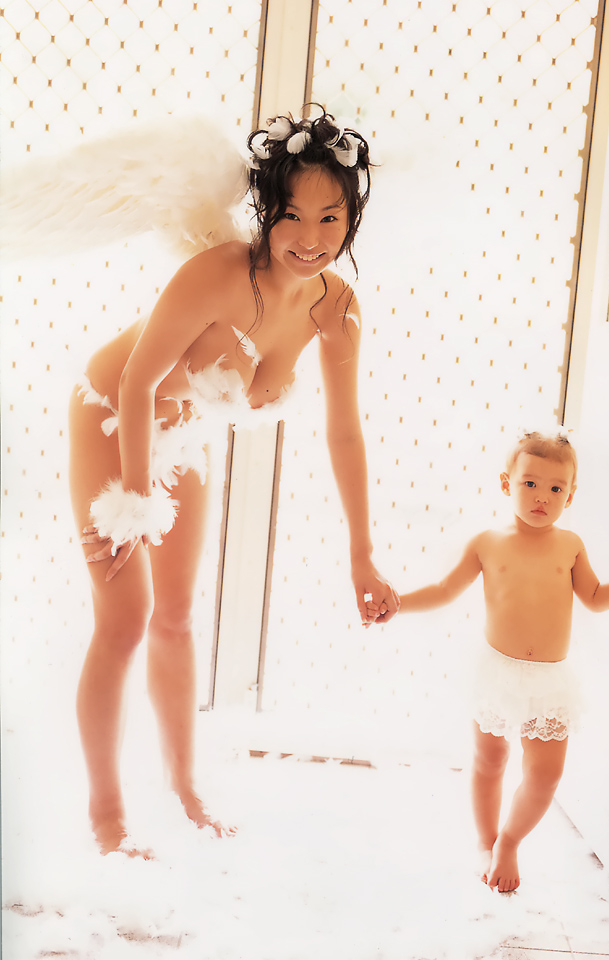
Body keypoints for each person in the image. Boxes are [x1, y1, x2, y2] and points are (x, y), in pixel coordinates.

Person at [66, 108, 399, 856]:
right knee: (125, 616)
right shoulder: (218, 273)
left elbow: (345, 433)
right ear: (265, 211)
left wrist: (362, 553)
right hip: (112, 413)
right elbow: (136, 383)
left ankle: (185, 789)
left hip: (181, 427)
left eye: (330, 217)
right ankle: (106, 816)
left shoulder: (337, 308)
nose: (310, 237)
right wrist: (133, 506)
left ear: (352, 218)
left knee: (176, 617)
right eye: (291, 216)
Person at [371, 431, 609, 892]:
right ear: (507, 484)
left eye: (556, 488)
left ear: (570, 495)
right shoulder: (488, 542)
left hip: (550, 680)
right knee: (490, 758)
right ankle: (486, 842)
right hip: (496, 672)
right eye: (530, 484)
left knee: (546, 775)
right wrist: (398, 603)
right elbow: (444, 589)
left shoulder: (570, 545)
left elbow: (597, 598)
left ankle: (510, 840)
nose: (543, 497)